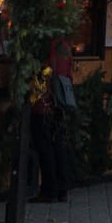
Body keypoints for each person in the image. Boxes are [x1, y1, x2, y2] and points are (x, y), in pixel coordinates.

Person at [30, 38, 74, 203]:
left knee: (45, 148)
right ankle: (62, 189)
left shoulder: (45, 46)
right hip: (60, 104)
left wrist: (33, 98)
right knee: (58, 146)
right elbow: (69, 74)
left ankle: (49, 190)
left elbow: (43, 74)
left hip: (43, 105)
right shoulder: (64, 46)